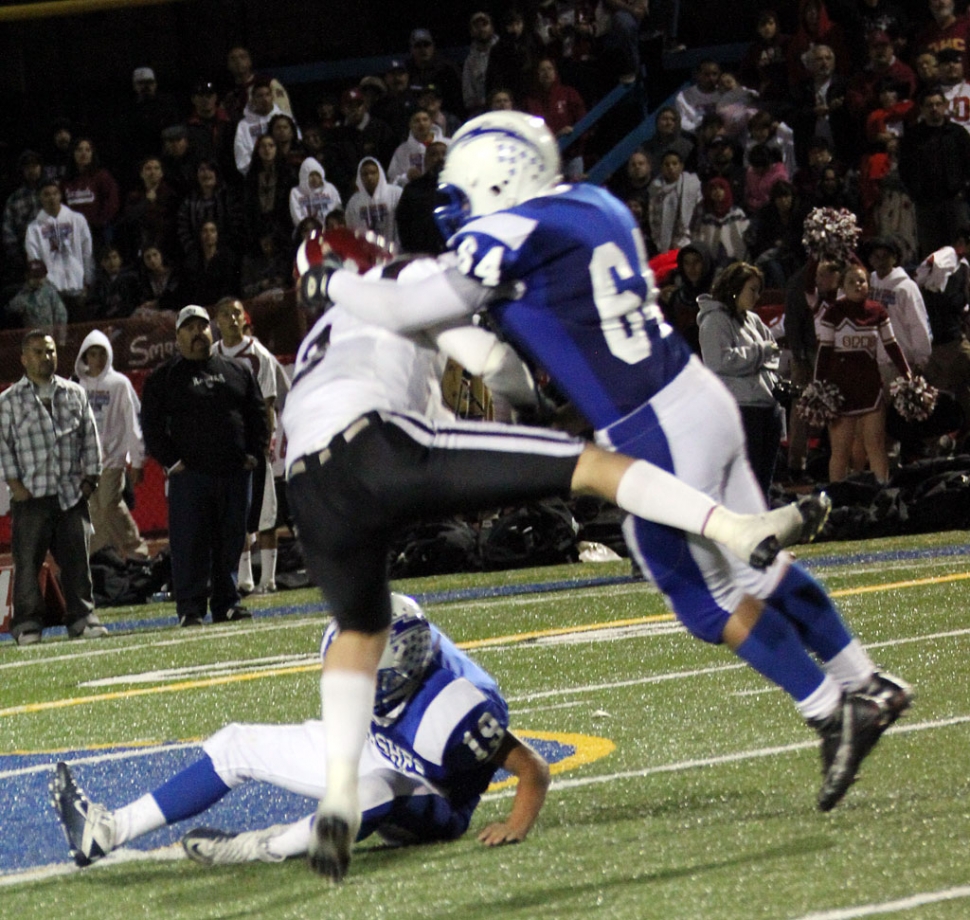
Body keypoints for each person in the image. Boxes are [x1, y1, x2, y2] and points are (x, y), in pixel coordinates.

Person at [313, 114, 912, 872]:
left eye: (466, 191)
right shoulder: (592, 208)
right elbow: (510, 370)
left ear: (498, 177)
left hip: (649, 428)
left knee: (705, 601)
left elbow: (439, 325)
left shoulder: (516, 231)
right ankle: (866, 679)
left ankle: (831, 710)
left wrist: (336, 278)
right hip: (696, 395)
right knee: (754, 569)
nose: (459, 210)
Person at [51, 596, 551, 867]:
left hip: (430, 796)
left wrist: (517, 825)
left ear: (396, 676)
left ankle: (259, 847)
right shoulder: (387, 635)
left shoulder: (454, 709)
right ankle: (108, 830)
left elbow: (533, 769)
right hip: (377, 742)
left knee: (368, 792)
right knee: (236, 744)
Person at [140, 305, 268, 627]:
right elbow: (151, 426)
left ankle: (227, 602)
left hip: (234, 473)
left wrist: (253, 454)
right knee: (190, 543)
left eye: (202, 327)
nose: (198, 333)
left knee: (231, 542)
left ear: (211, 332)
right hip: (191, 476)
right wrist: (172, 462)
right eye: (189, 328)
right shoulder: (164, 377)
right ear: (178, 336)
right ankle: (191, 608)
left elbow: (257, 415)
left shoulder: (237, 371)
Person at [0, 331, 106, 646]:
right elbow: (3, 447)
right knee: (28, 564)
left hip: (71, 494)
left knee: (77, 561)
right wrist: (16, 486)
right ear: (23, 358)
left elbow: (90, 436)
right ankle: (28, 625)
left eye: (49, 351)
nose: (45, 357)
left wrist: (91, 478)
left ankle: (82, 618)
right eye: (37, 352)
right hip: (31, 495)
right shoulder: (7, 402)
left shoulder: (75, 393)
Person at [813, 263, 913, 481]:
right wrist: (818, 386)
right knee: (841, 451)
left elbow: (891, 345)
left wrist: (907, 373)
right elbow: (825, 351)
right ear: (843, 286)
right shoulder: (833, 313)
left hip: (870, 387)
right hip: (841, 391)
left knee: (876, 446)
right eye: (852, 281)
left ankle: (883, 495)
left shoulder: (877, 311)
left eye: (862, 281)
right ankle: (838, 499)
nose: (858, 285)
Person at [212, 297, 281, 595]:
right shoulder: (211, 355)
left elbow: (267, 402)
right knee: (234, 515)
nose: (231, 319)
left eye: (235, 313)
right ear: (217, 321)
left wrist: (264, 442)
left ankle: (268, 578)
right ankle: (243, 578)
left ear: (245, 318)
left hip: (253, 443)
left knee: (265, 513)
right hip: (225, 446)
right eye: (225, 314)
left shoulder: (258, 355)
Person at [698, 262, 784, 498]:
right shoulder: (714, 320)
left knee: (764, 480)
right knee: (746, 482)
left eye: (759, 290)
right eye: (752, 289)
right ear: (735, 288)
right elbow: (718, 361)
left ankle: (762, 529)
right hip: (741, 408)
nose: (757, 296)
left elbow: (773, 353)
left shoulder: (753, 320)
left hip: (766, 406)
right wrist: (760, 353)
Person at [74, 331, 149, 561]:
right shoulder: (77, 386)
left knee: (109, 505)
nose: (97, 359)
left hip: (112, 459)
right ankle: (103, 559)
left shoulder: (119, 384)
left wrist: (137, 460)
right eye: (92, 354)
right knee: (94, 513)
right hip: (85, 463)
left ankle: (136, 550)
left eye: (101, 354)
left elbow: (133, 422)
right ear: (84, 357)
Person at [898, 85, 970, 257]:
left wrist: (963, 190)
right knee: (932, 253)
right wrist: (915, 194)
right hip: (926, 205)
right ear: (922, 108)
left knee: (961, 250)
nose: (934, 109)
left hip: (955, 202)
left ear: (945, 106)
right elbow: (905, 169)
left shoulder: (957, 134)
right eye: (930, 105)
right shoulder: (913, 137)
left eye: (938, 104)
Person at [24, 179, 94, 321]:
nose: (52, 197)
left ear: (60, 195)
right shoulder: (34, 228)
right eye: (47, 194)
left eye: (55, 193)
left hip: (78, 286)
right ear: (40, 198)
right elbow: (34, 259)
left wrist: (88, 281)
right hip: (52, 290)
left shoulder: (77, 219)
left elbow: (87, 252)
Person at [394, 140, 448, 254]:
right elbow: (403, 223)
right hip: (422, 255)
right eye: (434, 154)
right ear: (426, 161)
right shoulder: (413, 189)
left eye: (444, 154)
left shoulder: (459, 188)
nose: (440, 158)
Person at [345, 157, 402, 246]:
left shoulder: (396, 194)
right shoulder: (354, 202)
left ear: (380, 173)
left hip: (395, 249)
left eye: (373, 172)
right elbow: (351, 229)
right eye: (365, 174)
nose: (369, 177)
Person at [6, 260, 68, 333]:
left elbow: (61, 315)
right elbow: (13, 308)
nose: (38, 281)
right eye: (35, 277)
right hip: (31, 336)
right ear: (27, 276)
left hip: (48, 335)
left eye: (40, 277)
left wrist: (61, 339)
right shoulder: (23, 293)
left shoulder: (50, 291)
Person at [288, 157, 342, 229]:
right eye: (311, 175)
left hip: (329, 230)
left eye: (317, 175)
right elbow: (297, 215)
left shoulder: (330, 189)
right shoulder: (296, 192)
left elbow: (337, 208)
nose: (314, 178)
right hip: (307, 231)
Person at [463, 11, 499, 116]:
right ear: (471, 31)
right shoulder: (470, 61)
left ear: (492, 27)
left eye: (484, 25)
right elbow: (468, 97)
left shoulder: (504, 51)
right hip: (482, 110)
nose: (481, 29)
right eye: (476, 26)